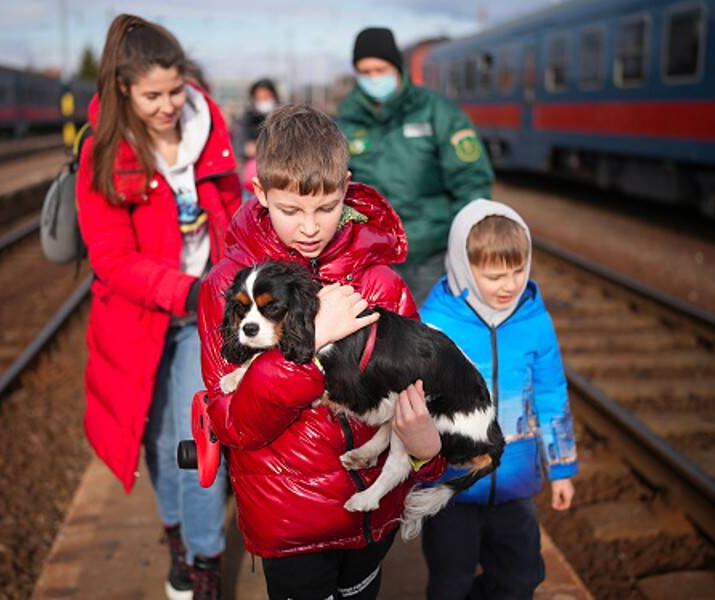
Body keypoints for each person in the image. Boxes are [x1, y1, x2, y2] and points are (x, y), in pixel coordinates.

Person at [197, 104, 448, 600]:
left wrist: (426, 452)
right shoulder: (229, 288)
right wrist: (307, 351)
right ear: (261, 193)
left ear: (346, 188)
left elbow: (419, 389)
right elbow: (231, 423)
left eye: (327, 207)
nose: (310, 226)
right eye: (291, 210)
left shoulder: (379, 283)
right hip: (291, 524)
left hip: (373, 520)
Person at [74, 15, 242, 600]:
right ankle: (177, 540)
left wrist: (223, 282)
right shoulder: (104, 153)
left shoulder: (207, 125)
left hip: (204, 317)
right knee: (158, 448)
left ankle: (204, 568)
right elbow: (112, 259)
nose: (169, 105)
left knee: (195, 445)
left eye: (176, 90)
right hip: (140, 322)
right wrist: (183, 290)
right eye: (153, 96)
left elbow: (232, 207)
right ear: (123, 89)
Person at [417, 200, 579, 600]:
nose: (509, 284)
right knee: (449, 583)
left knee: (521, 579)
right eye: (494, 275)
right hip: (449, 488)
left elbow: (550, 392)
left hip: (513, 484)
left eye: (518, 271)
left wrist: (561, 467)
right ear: (462, 267)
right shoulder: (435, 323)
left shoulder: (535, 321)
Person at [336, 27, 495, 304]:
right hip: (371, 256)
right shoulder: (347, 122)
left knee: (428, 333)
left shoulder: (438, 113)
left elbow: (471, 181)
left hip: (431, 254)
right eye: (366, 72)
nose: (374, 78)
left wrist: (463, 240)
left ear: (397, 68)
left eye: (380, 69)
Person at [234, 78, 280, 198]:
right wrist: (246, 149)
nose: (263, 101)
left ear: (274, 96)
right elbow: (239, 145)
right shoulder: (246, 119)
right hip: (252, 179)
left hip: (279, 177)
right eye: (259, 98)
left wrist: (261, 148)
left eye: (266, 97)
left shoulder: (283, 119)